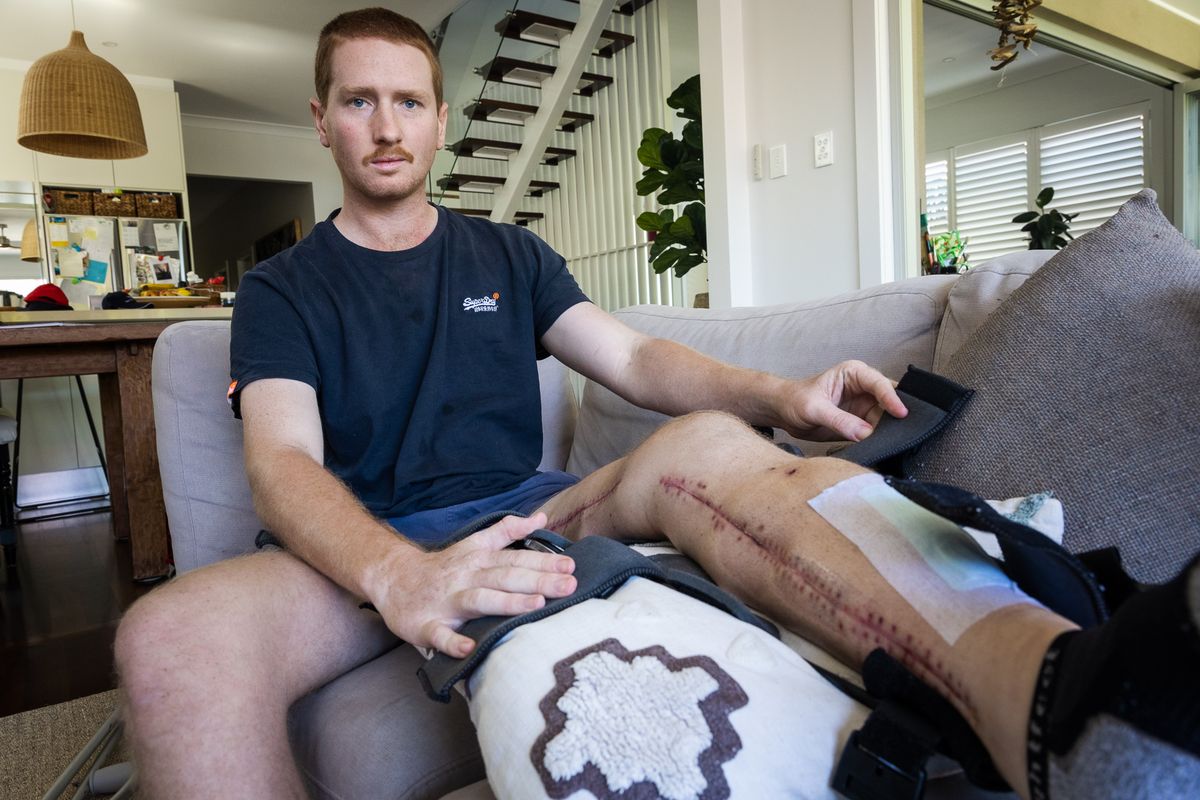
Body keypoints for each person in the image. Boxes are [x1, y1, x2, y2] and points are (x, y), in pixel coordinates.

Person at [114, 8, 1199, 800]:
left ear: (442, 120)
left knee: (707, 444)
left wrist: (777, 390)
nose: (387, 125)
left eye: (408, 100)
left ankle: (1063, 700)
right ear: (324, 120)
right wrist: (401, 572)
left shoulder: (510, 253)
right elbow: (282, 462)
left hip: (529, 515)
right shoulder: (280, 289)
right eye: (361, 100)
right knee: (168, 637)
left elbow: (634, 360)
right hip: (361, 552)